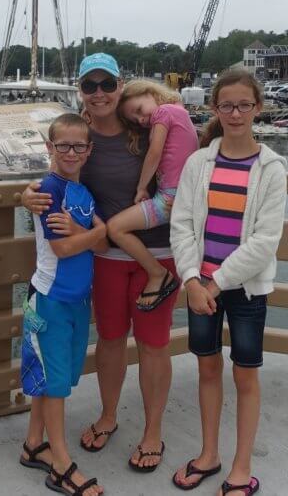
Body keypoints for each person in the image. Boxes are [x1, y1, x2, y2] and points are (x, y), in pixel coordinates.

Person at [23, 52, 180, 474]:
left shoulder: (145, 129)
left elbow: (185, 166)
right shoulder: (80, 136)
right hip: (106, 258)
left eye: (106, 85)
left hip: (158, 255)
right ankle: (109, 415)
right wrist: (28, 193)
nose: (98, 94)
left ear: (119, 85)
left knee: (153, 344)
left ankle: (152, 432)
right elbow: (58, 173)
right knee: (110, 339)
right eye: (89, 86)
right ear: (80, 90)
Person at [170, 67, 287, 495]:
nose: (235, 113)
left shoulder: (271, 168)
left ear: (257, 107)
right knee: (206, 368)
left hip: (243, 291)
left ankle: (242, 465)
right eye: (226, 105)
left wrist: (213, 285)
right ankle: (209, 453)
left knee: (245, 374)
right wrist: (190, 279)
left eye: (243, 105)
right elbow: (181, 225)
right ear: (214, 108)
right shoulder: (198, 163)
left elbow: (265, 241)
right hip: (199, 286)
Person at [19, 112, 107, 496]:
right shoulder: (48, 190)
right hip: (50, 300)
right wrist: (97, 231)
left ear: (89, 151)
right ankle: (61, 464)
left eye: (78, 146)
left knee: (54, 377)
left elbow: (100, 244)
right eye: (63, 146)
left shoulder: (82, 193)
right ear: (49, 148)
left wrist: (93, 232)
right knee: (55, 386)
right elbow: (64, 246)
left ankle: (33, 443)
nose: (70, 152)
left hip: (77, 301)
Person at [106, 80, 198, 310]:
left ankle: (158, 274)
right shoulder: (180, 110)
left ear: (150, 93)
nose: (141, 119)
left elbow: (155, 152)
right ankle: (159, 273)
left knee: (115, 228)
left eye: (139, 110)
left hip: (170, 199)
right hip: (182, 196)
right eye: (135, 120)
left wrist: (141, 188)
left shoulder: (164, 112)